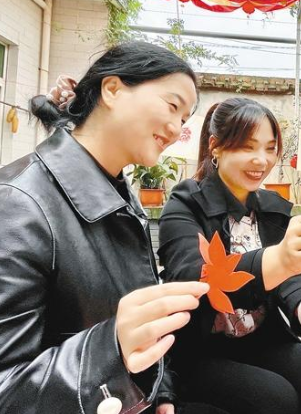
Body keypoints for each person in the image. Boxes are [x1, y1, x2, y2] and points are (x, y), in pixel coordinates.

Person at [0, 41, 225, 414]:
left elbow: (141, 313)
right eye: (172, 106)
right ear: (113, 90)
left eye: (185, 119)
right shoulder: (18, 203)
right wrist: (111, 347)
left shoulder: (120, 196)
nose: (176, 129)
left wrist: (161, 393)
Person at [157, 98, 301, 414]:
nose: (261, 160)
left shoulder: (271, 208)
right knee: (275, 400)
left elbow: (290, 276)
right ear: (215, 147)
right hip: (201, 348)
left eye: (270, 148)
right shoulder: (185, 205)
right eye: (247, 147)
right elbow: (192, 278)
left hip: (260, 337)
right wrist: (278, 260)